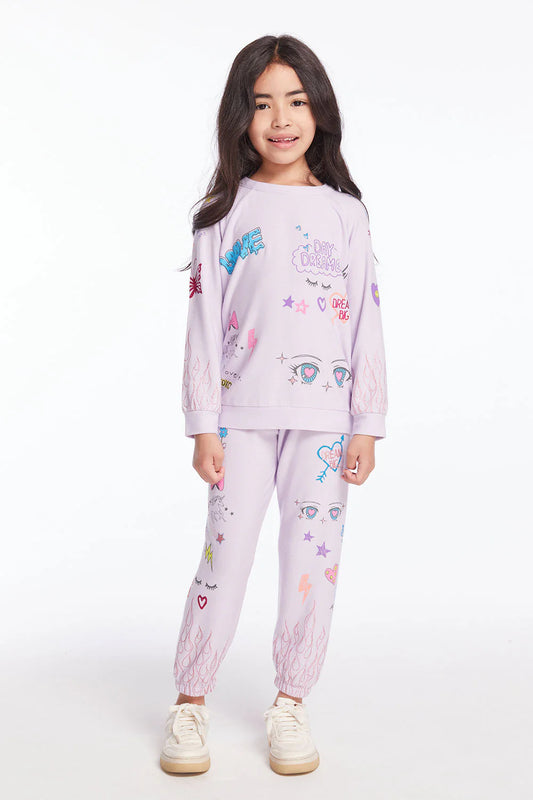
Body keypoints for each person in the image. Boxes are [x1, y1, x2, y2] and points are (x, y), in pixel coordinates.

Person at [160, 33, 388, 777]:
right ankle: (190, 700)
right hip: (240, 420)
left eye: (296, 101)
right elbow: (202, 325)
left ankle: (291, 700)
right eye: (263, 104)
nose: (281, 119)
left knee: (311, 565)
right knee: (223, 559)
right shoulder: (221, 214)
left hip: (325, 425)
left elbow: (366, 319)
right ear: (241, 116)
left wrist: (367, 423)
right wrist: (203, 424)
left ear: (319, 110)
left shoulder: (346, 214)